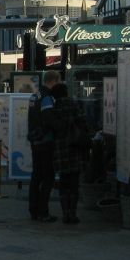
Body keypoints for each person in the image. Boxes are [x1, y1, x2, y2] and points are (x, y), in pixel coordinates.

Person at [50, 82, 89, 225]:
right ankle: (73, 213)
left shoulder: (54, 107)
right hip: (76, 147)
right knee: (74, 183)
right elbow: (84, 123)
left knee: (64, 182)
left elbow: (51, 127)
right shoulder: (75, 104)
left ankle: (65, 213)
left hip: (60, 148)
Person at [27, 69, 61, 222]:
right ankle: (43, 211)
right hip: (45, 141)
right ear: (53, 81)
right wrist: (60, 128)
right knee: (47, 177)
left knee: (36, 176)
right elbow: (49, 119)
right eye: (58, 82)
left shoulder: (34, 96)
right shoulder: (47, 98)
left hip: (35, 140)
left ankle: (33, 210)